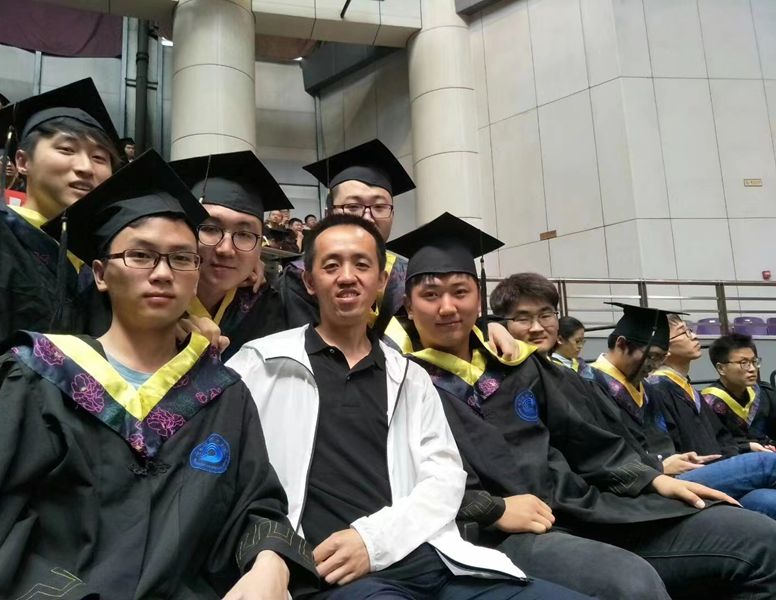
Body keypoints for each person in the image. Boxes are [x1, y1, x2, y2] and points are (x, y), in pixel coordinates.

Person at [0, 150, 317, 599]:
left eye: (182, 258)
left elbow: (257, 505)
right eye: (141, 255)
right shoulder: (37, 376)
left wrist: (271, 560)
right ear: (100, 274)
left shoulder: (224, 396)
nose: (162, 273)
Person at [391, 216, 776, 599]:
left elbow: (585, 439)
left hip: (583, 507)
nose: (447, 307)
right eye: (430, 295)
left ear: (478, 299)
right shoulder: (401, 383)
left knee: (758, 537)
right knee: (630, 584)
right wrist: (490, 509)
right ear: (408, 306)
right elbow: (406, 482)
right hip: (500, 533)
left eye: (460, 292)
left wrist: (650, 478)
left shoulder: (523, 365)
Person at [228, 214, 588, 600]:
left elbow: (445, 479)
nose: (347, 276)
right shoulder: (261, 364)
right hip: (337, 575)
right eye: (331, 266)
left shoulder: (409, 375)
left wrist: (373, 542)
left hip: (431, 559)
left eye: (361, 264)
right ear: (310, 282)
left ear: (381, 281)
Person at [0, 79, 120, 366]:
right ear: (22, 161)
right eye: (66, 149)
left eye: (99, 157)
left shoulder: (102, 260)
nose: (86, 167)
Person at [645, 314, 776, 518]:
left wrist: (745, 447)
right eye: (684, 332)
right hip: (687, 478)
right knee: (766, 462)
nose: (694, 336)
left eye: (690, 330)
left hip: (717, 469)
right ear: (664, 347)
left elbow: (722, 439)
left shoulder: (688, 390)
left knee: (767, 501)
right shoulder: (656, 389)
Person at [280, 139, 413, 334]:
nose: (367, 218)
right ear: (329, 214)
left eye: (379, 207)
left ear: (392, 214)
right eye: (353, 206)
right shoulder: (300, 275)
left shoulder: (408, 275)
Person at [170, 150, 290, 358]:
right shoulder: (145, 301)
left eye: (244, 235)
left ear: (259, 248)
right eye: (209, 229)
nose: (226, 249)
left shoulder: (267, 308)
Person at [704, 333, 776, 451]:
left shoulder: (763, 393)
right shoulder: (709, 403)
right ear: (721, 368)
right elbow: (713, 446)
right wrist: (748, 447)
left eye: (754, 362)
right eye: (743, 363)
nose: (752, 369)